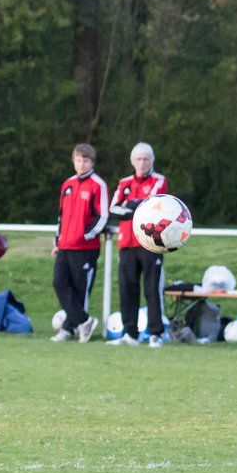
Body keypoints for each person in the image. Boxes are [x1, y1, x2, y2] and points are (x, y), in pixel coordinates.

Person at [107, 142, 168, 348]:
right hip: (127, 243)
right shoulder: (124, 183)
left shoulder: (159, 181)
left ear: (152, 160)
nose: (142, 163)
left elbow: (154, 206)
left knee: (152, 289)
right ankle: (130, 334)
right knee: (127, 289)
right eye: (139, 159)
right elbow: (113, 209)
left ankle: (155, 334)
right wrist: (137, 206)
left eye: (146, 159)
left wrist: (130, 205)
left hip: (151, 242)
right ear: (132, 161)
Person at [51, 143, 108, 343]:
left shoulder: (97, 185)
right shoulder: (67, 184)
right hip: (64, 246)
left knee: (80, 289)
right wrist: (57, 241)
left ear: (92, 162)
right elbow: (61, 216)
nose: (81, 164)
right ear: (73, 161)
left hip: (85, 248)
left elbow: (102, 217)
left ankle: (70, 329)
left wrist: (85, 235)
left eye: (85, 161)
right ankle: (84, 322)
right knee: (59, 283)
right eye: (78, 160)